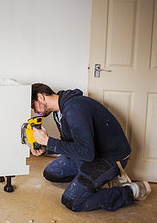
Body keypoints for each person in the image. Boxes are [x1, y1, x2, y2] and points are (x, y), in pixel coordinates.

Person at [30, 83, 151, 212]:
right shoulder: (58, 111)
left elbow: (87, 152)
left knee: (72, 200)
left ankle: (131, 191)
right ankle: (89, 179)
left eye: (33, 105)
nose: (35, 111)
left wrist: (48, 141)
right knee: (50, 173)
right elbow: (70, 143)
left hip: (109, 158)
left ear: (41, 97)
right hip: (89, 152)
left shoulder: (74, 109)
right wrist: (46, 149)